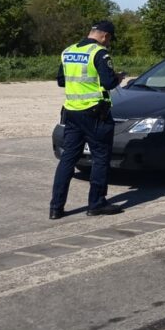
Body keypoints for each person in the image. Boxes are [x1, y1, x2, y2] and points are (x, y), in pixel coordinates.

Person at [49, 20, 125, 219]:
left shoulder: (68, 51)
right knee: (100, 157)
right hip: (95, 114)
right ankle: (96, 203)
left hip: (72, 112)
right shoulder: (99, 53)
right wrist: (118, 77)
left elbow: (61, 80)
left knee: (67, 160)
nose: (108, 43)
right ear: (105, 36)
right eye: (108, 40)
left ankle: (56, 207)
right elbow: (108, 82)